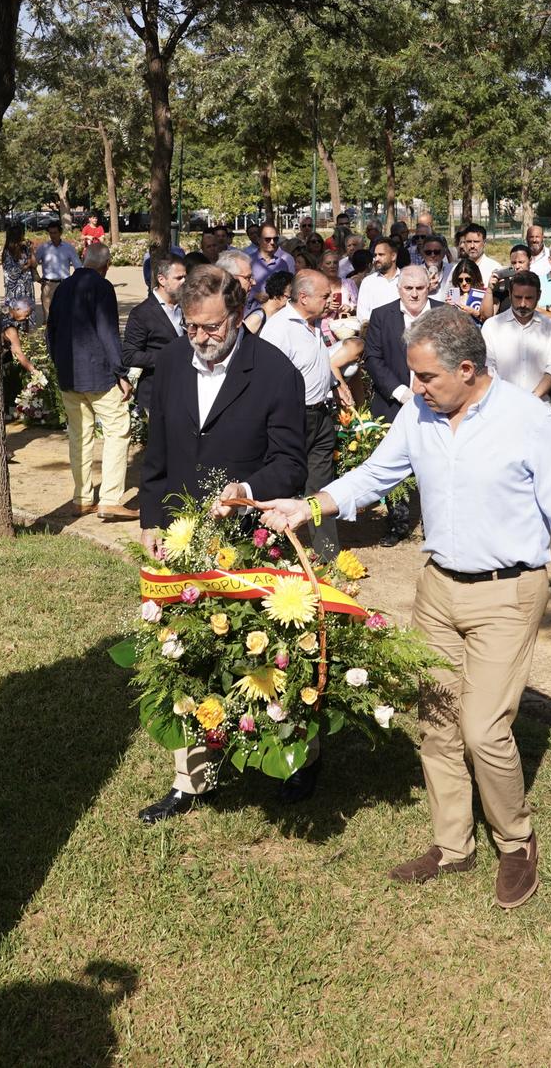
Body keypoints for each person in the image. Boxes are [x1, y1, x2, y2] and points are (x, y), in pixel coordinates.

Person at [255, 306, 551, 910]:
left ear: (467, 370)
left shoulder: (528, 420)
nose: (415, 389)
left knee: (483, 728)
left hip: (508, 591)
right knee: (437, 719)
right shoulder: (420, 414)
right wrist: (307, 508)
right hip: (438, 589)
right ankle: (453, 846)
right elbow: (376, 474)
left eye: (427, 378)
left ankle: (516, 843)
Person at [133, 264, 306, 824]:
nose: (200, 339)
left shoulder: (277, 372)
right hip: (184, 537)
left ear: (237, 315)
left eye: (211, 328)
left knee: (267, 652)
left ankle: (291, 760)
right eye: (191, 327)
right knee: (181, 652)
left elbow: (290, 463)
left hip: (252, 535)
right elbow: (156, 447)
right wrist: (150, 517)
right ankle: (191, 780)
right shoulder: (170, 363)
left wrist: (247, 490)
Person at [259, 270, 348, 564]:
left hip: (321, 414)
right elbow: (267, 377)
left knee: (321, 487)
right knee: (283, 483)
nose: (330, 300)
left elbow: (316, 364)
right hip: (293, 418)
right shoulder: (279, 328)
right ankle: (269, 548)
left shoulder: (313, 324)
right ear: (303, 297)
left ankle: (326, 554)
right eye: (325, 295)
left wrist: (336, 384)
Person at [47, 243, 134, 520]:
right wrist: (121, 373)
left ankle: (82, 497)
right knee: (117, 429)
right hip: (99, 375)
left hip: (69, 374)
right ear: (106, 265)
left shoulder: (63, 287)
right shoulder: (101, 286)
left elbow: (51, 330)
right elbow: (108, 332)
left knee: (80, 435)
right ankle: (109, 498)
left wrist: (58, 364)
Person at [364, 265, 443, 547]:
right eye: (408, 288)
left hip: (437, 402)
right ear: (399, 288)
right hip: (393, 402)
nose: (414, 294)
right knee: (395, 466)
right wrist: (400, 392)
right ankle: (397, 523)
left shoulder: (443, 315)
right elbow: (373, 358)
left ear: (429, 287)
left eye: (419, 288)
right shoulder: (381, 316)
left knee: (436, 464)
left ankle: (434, 525)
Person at [121, 254, 186, 420]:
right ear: (162, 280)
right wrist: (166, 358)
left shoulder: (187, 306)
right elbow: (129, 354)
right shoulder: (142, 313)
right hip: (157, 393)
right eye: (179, 278)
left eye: (186, 277)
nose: (184, 282)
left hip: (185, 391)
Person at [481, 272, 551, 399]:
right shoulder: (492, 326)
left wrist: (533, 397)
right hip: (501, 405)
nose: (523, 304)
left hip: (539, 407)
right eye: (518, 297)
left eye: (529, 298)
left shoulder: (550, 327)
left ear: (539, 296)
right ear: (509, 294)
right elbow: (487, 368)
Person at [354, 238, 402, 321]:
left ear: (393, 256)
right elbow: (362, 315)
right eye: (375, 255)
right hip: (375, 331)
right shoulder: (368, 282)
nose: (376, 259)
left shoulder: (406, 279)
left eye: (381, 255)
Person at [35, 221, 80, 310]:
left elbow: (78, 266)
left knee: (65, 314)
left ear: (60, 233)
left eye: (55, 233)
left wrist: (74, 282)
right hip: (48, 285)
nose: (53, 235)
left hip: (64, 284)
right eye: (50, 233)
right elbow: (33, 264)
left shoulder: (69, 248)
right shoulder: (43, 248)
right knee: (48, 317)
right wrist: (38, 278)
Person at [247, 223, 295, 303]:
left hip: (277, 312)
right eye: (267, 239)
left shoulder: (282, 263)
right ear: (259, 240)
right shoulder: (248, 261)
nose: (272, 242)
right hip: (253, 311)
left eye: (275, 239)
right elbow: (238, 289)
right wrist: (254, 295)